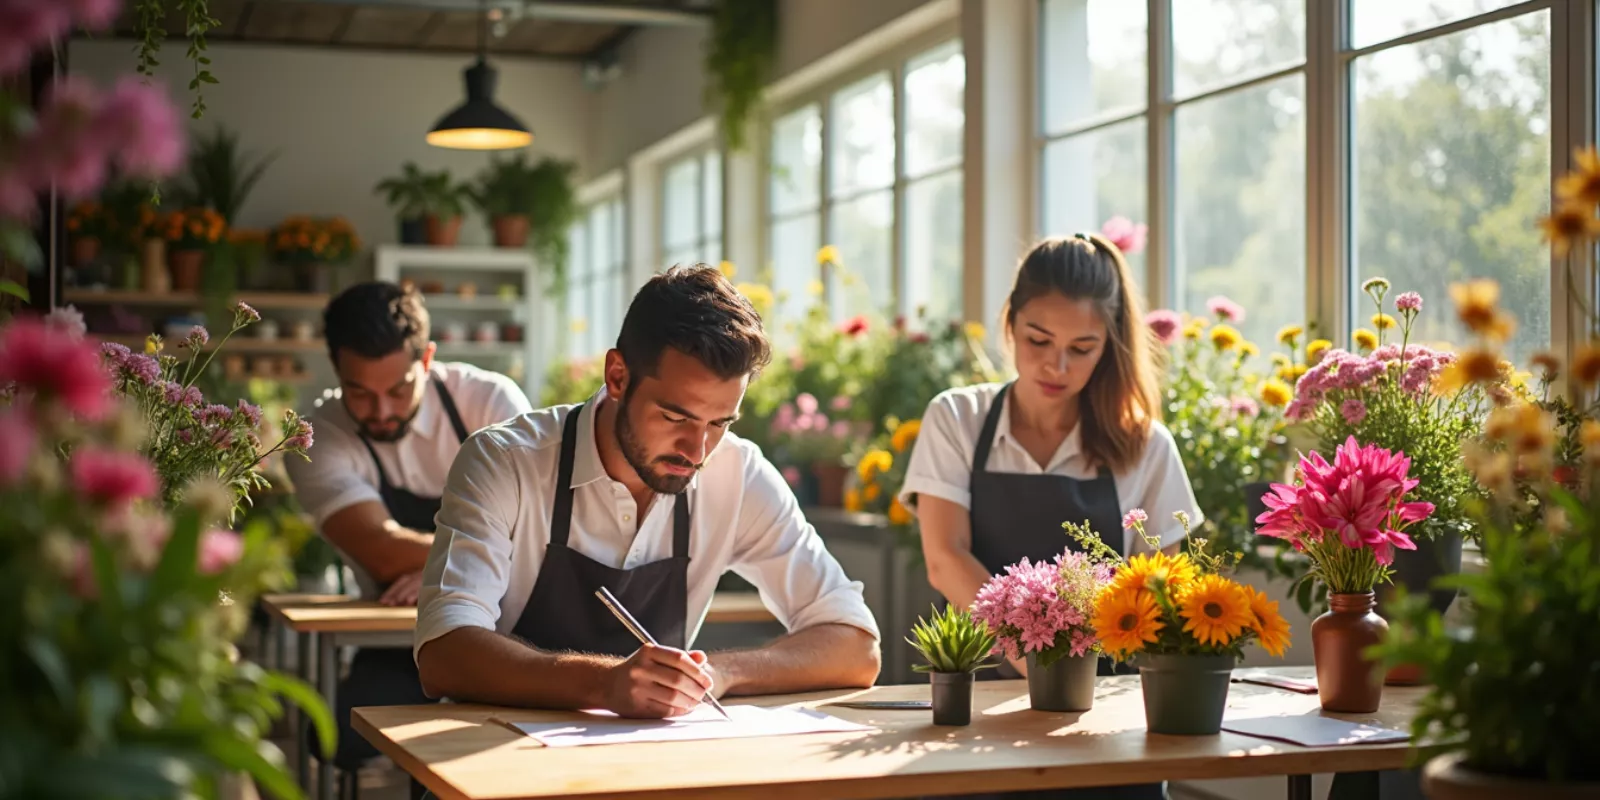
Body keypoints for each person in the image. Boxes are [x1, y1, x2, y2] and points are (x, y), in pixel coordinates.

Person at [413, 264, 880, 716]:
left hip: (648, 757)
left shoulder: (738, 474)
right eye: (675, 417)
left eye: (719, 423)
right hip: (495, 749)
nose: (696, 450)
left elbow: (856, 646)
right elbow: (443, 652)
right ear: (617, 376)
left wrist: (716, 674)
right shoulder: (505, 461)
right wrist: (604, 684)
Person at [898, 234, 1202, 799]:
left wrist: (1072, 685)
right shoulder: (958, 418)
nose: (1056, 365)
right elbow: (945, 558)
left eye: (1082, 348)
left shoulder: (1145, 445)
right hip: (978, 710)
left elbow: (1163, 590)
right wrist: (1041, 665)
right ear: (1010, 323)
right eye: (1038, 339)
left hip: (1104, 721)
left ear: (1109, 345)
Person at [285, 281, 533, 771]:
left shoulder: (489, 403)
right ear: (336, 368)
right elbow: (380, 552)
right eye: (360, 393)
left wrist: (431, 571)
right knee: (337, 737)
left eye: (398, 390)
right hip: (404, 640)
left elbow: (535, 539)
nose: (381, 412)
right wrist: (479, 558)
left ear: (427, 359)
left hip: (514, 627)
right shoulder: (318, 437)